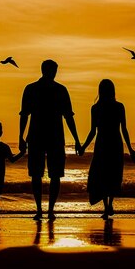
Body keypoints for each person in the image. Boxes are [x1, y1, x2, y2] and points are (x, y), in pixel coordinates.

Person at [19, 59, 82, 220]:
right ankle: (46, 210)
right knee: (48, 174)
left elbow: (68, 116)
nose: (54, 73)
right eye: (54, 70)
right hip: (51, 136)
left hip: (39, 136)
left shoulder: (33, 89)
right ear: (50, 71)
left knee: (41, 174)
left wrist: (21, 137)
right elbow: (68, 117)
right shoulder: (58, 90)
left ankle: (43, 210)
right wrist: (76, 139)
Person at [80, 79, 135, 219]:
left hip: (102, 143)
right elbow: (124, 129)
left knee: (102, 174)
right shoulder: (119, 106)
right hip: (115, 142)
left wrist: (83, 147)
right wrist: (130, 148)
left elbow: (93, 131)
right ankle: (110, 204)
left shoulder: (96, 108)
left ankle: (106, 207)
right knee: (113, 174)